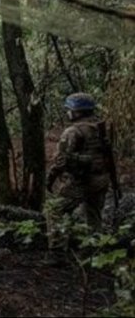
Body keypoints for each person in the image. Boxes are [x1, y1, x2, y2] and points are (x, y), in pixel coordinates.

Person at [45, 93, 117, 263]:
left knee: (54, 210)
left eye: (69, 110)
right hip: (102, 178)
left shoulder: (73, 131)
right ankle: (94, 251)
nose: (67, 113)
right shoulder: (101, 127)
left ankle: (57, 252)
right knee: (93, 214)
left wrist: (51, 178)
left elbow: (61, 160)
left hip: (81, 180)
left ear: (76, 112)